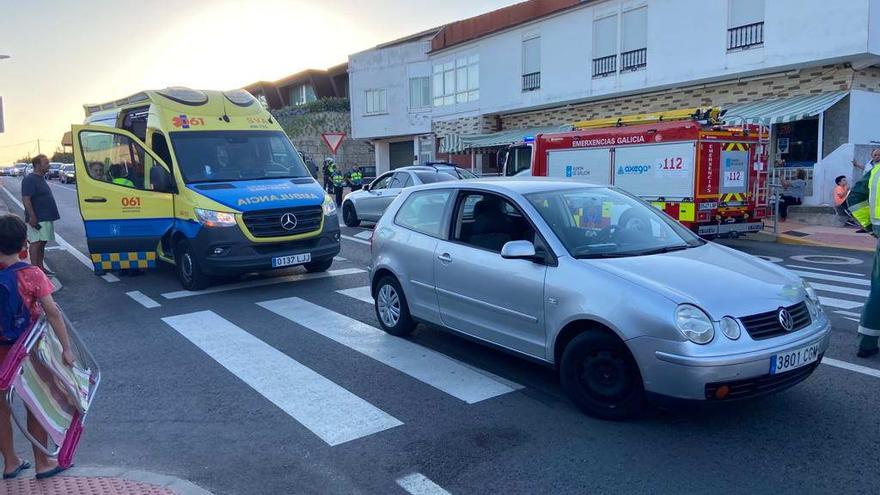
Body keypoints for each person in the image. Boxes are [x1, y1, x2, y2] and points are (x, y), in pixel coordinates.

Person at [0, 214, 74, 480]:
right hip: (25, 351)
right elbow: (52, 312)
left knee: (1, 407)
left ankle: (10, 462)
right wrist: (66, 349)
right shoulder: (31, 274)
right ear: (23, 243)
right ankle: (42, 462)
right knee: (34, 402)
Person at [846, 162, 880, 358]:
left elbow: (855, 199)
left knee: (878, 291)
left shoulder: (876, 171)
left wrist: (870, 226)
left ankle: (867, 344)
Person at [20, 155, 60, 277]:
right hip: (38, 218)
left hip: (45, 217)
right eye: (46, 163)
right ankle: (35, 272)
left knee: (42, 242)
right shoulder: (29, 179)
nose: (49, 165)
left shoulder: (40, 178)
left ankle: (41, 268)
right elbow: (26, 199)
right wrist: (32, 216)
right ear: (37, 165)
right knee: (36, 243)